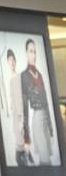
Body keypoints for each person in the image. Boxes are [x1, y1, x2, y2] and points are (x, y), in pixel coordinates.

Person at [21, 38, 56, 166]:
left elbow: (46, 101)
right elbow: (25, 107)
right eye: (31, 51)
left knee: (46, 161)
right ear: (26, 53)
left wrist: (51, 129)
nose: (34, 55)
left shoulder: (40, 75)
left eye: (35, 51)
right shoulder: (24, 75)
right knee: (45, 160)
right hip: (36, 119)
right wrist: (26, 136)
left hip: (45, 119)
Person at [3, 47, 27, 166]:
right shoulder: (9, 79)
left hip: (19, 117)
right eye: (9, 60)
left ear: (15, 61)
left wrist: (21, 119)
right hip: (15, 117)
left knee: (20, 147)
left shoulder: (17, 78)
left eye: (13, 59)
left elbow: (19, 100)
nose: (11, 62)